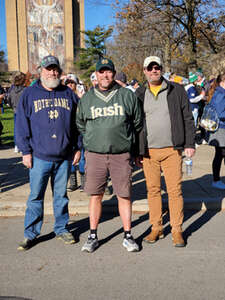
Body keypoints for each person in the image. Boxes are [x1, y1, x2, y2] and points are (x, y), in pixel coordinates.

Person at [76, 57, 143, 252]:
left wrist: (135, 149)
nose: (105, 75)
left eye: (109, 71)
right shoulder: (87, 98)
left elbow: (138, 123)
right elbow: (80, 123)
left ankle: (128, 235)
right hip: (95, 154)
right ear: (96, 75)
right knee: (95, 195)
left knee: (124, 195)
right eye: (102, 71)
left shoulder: (126, 95)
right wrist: (94, 138)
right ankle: (92, 235)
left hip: (120, 154)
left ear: (113, 73)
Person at [16, 55, 81, 250]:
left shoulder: (68, 94)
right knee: (36, 196)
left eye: (55, 69)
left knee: (61, 196)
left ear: (59, 72)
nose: (52, 72)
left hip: (63, 157)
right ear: (40, 71)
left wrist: (78, 147)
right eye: (48, 69)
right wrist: (25, 152)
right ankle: (31, 233)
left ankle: (61, 228)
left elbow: (78, 123)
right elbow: (21, 125)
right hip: (39, 157)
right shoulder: (29, 94)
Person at [135, 56, 195, 247]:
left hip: (172, 149)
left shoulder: (176, 90)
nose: (154, 71)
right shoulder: (139, 93)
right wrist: (136, 151)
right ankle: (156, 227)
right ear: (144, 71)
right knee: (152, 191)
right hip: (149, 152)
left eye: (157, 67)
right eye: (150, 68)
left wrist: (190, 144)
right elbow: (134, 124)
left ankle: (177, 230)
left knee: (174, 191)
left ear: (161, 69)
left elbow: (187, 118)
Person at [207, 73, 225, 189]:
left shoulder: (220, 92)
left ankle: (216, 179)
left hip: (221, 128)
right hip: (221, 128)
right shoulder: (220, 94)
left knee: (220, 154)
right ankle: (216, 180)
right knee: (220, 154)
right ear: (223, 82)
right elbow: (220, 113)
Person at [65, 74, 80, 192]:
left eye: (72, 83)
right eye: (67, 83)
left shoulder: (79, 98)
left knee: (82, 158)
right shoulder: (62, 97)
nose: (70, 85)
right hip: (68, 132)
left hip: (78, 131)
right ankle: (73, 181)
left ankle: (85, 180)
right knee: (70, 159)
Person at [8, 71, 26, 153]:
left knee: (16, 129)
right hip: (24, 112)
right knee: (24, 129)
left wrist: (13, 108)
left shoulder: (11, 90)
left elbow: (9, 101)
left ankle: (16, 145)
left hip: (15, 111)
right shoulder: (25, 90)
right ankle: (23, 146)